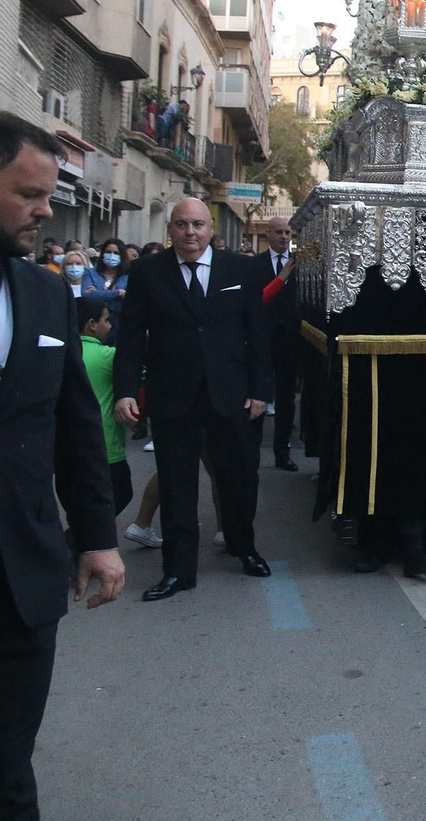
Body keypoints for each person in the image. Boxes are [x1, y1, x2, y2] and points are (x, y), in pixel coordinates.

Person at [0, 113, 125, 819]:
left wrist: (98, 537)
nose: (47, 211)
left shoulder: (47, 294)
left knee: (10, 769)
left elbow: (77, 429)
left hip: (21, 580)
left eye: (49, 195)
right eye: (29, 194)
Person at [112, 197, 273, 599]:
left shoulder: (241, 269)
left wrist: (260, 391)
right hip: (172, 397)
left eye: (198, 225)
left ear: (210, 229)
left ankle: (244, 547)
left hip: (231, 395)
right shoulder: (148, 271)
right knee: (176, 483)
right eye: (182, 224)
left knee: (239, 478)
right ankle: (178, 570)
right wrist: (126, 391)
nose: (190, 233)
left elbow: (258, 333)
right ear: (170, 229)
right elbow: (130, 338)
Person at [253, 216, 302, 472]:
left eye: (288, 233)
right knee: (258, 394)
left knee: (286, 399)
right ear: (268, 234)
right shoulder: (255, 264)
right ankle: (251, 453)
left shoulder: (301, 264)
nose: (284, 237)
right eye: (279, 232)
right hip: (262, 338)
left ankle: (282, 454)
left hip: (289, 340)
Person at [77, 298, 132, 517]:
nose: (109, 326)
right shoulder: (109, 357)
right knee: (120, 494)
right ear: (92, 324)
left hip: (68, 444)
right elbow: (140, 372)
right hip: (106, 444)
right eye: (106, 320)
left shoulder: (63, 354)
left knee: (80, 502)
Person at [82, 236, 128, 343]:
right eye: (108, 252)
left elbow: (131, 298)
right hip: (95, 325)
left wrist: (98, 293)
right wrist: (118, 292)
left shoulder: (128, 276)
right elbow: (87, 295)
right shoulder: (90, 273)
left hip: (119, 326)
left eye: (116, 253)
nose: (112, 255)